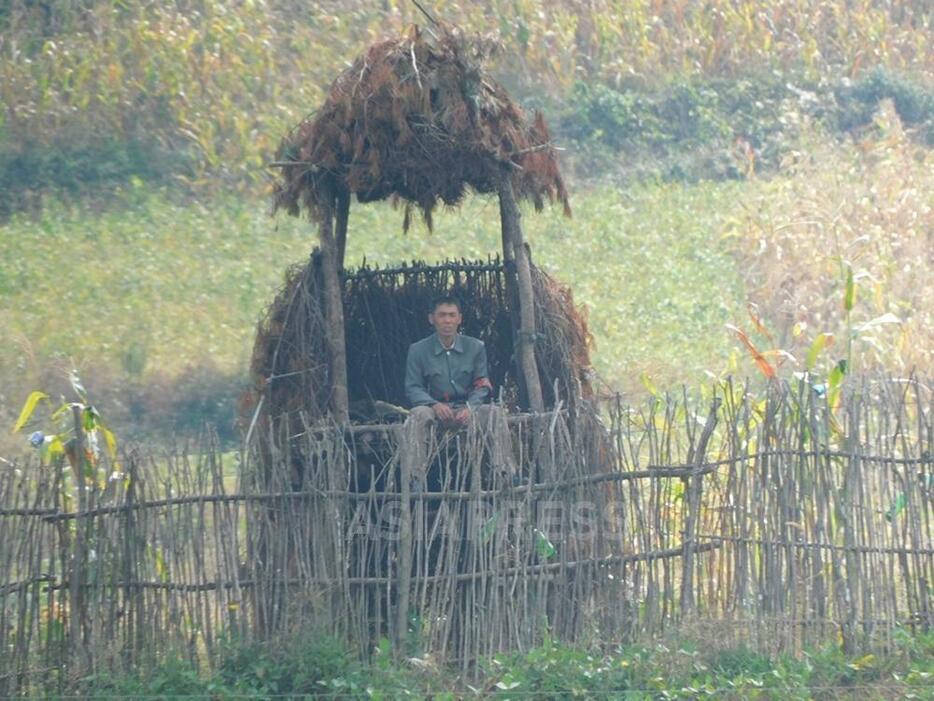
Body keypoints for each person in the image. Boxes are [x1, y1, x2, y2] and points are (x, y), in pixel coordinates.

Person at [403, 296, 515, 486]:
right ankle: (415, 478)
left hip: (467, 407)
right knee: (417, 415)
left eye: (452, 315)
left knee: (495, 413)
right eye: (442, 315)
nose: (447, 320)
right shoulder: (418, 350)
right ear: (432, 319)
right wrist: (433, 404)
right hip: (435, 409)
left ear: (459, 319)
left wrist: (471, 407)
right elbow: (413, 387)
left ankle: (505, 474)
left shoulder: (476, 347)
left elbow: (482, 383)